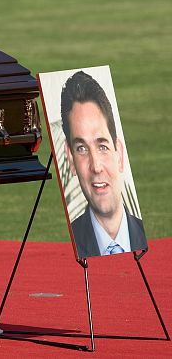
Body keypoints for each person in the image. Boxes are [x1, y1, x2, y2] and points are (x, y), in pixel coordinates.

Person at [60, 70, 148, 258]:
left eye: (102, 146)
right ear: (70, 158)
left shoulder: (143, 236)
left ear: (120, 154)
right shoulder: (69, 248)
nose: (96, 167)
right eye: (81, 148)